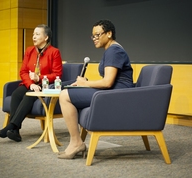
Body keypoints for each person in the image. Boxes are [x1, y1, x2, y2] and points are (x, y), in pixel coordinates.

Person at [57, 20, 134, 159]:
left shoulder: (113, 51)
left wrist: (85, 84)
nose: (94, 39)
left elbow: (108, 82)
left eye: (98, 35)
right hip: (114, 92)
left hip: (117, 94)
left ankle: (76, 143)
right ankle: (76, 142)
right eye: (93, 36)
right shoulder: (112, 49)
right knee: (70, 92)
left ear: (109, 34)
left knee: (64, 95)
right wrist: (85, 83)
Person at [0, 24, 63, 142]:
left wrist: (39, 78)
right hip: (30, 84)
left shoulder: (54, 52)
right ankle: (15, 130)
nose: (34, 37)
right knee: (17, 94)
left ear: (46, 37)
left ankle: (11, 126)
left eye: (37, 34)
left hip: (45, 86)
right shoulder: (29, 51)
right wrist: (31, 83)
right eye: (33, 34)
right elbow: (23, 71)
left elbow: (57, 74)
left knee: (29, 95)